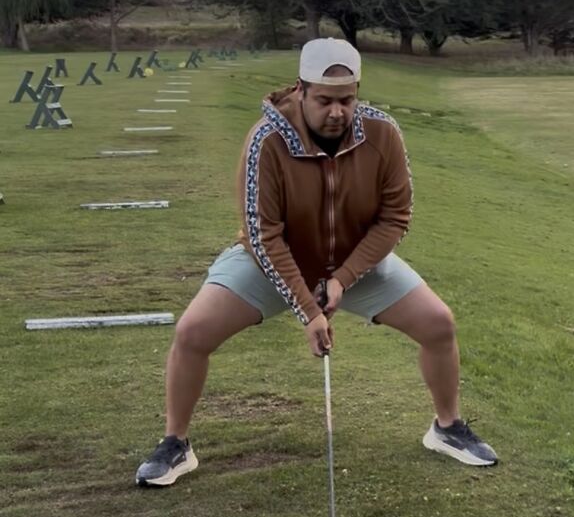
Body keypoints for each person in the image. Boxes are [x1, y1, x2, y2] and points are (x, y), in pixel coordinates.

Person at [135, 38, 497, 486]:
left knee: (439, 324)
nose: (337, 112)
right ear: (301, 91)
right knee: (192, 332)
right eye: (324, 100)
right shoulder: (266, 141)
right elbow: (262, 234)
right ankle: (175, 444)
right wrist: (309, 310)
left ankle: (447, 428)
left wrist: (344, 278)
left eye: (347, 100)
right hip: (274, 263)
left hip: (354, 262)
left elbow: (395, 217)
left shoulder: (383, 134)